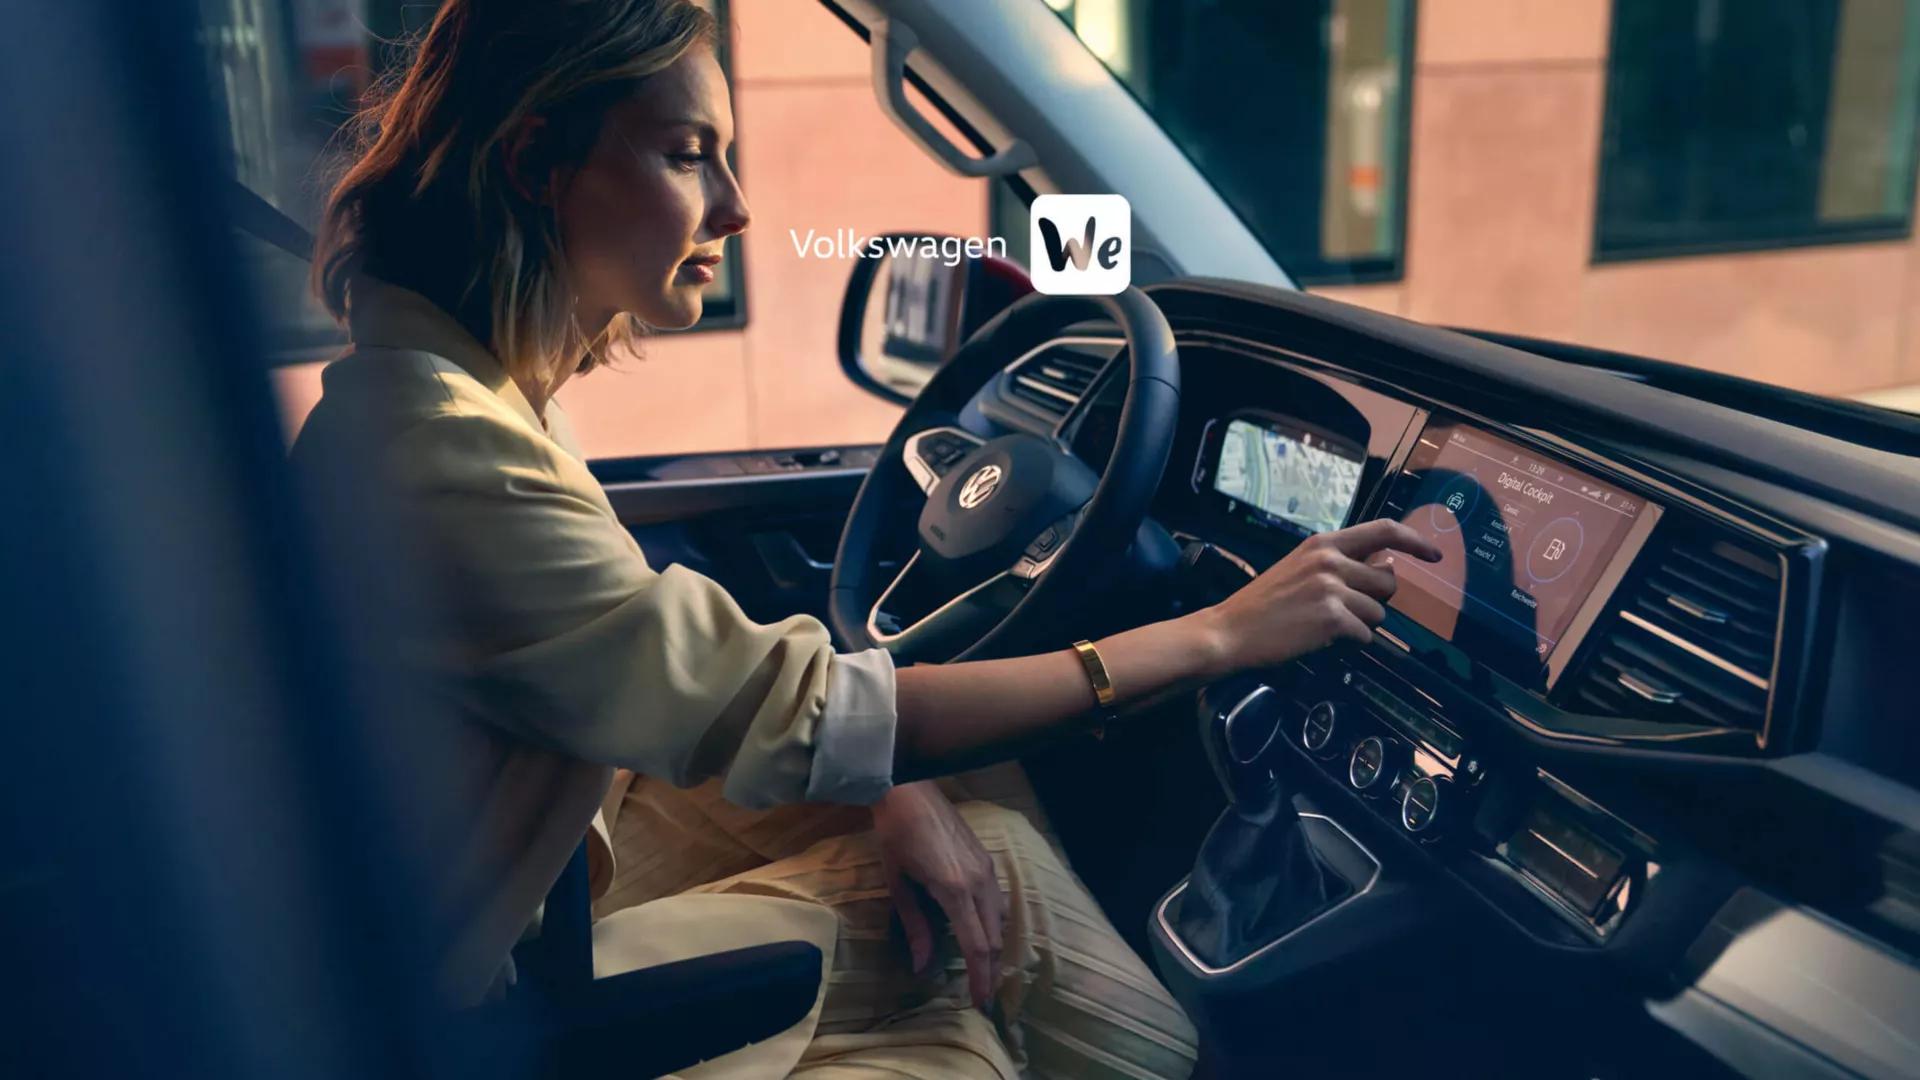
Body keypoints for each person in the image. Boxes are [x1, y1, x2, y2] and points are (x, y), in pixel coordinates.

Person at [291, 1, 1441, 1075]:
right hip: (475, 1005)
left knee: (964, 807)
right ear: (538, 163)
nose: (738, 207)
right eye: (689, 154)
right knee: (979, 968)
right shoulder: (443, 449)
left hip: (505, 897)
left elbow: (676, 665)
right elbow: (786, 707)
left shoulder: (450, 396)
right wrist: (1217, 635)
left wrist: (887, 785)